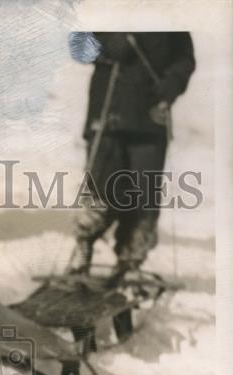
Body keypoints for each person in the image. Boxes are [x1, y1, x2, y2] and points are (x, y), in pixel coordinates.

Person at [69, 32, 195, 280]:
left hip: (149, 116)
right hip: (107, 112)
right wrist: (106, 43)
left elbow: (185, 58)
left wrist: (170, 86)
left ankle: (129, 263)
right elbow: (78, 46)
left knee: (142, 196)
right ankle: (81, 256)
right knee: (100, 192)